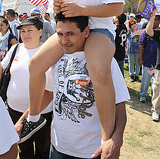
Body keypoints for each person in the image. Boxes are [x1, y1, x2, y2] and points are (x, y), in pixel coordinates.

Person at [27, 0, 124, 144]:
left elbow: (117, 7)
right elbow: (60, 19)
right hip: (70, 32)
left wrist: (81, 9)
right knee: (34, 65)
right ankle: (34, 119)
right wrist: (58, 9)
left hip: (98, 29)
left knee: (98, 71)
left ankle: (107, 137)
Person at [20, 13, 130, 159]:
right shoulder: (56, 59)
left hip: (93, 151)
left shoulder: (104, 63)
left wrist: (116, 138)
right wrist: (23, 121)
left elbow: (119, 105)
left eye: (70, 34)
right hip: (59, 148)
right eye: (60, 34)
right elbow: (48, 94)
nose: (64, 41)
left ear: (86, 32)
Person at [0, 16, 53, 158]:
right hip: (14, 110)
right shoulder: (15, 48)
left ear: (40, 31)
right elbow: (2, 66)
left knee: (43, 148)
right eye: (22, 31)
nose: (25, 34)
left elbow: (50, 90)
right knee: (23, 148)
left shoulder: (48, 52)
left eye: (30, 30)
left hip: (41, 113)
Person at [139, 16, 160, 103]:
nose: (154, 22)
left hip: (157, 64)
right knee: (145, 80)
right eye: (153, 20)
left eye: (156, 20)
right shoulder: (145, 32)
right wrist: (140, 59)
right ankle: (143, 95)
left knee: (155, 82)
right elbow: (141, 45)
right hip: (148, 62)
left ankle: (153, 97)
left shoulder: (158, 32)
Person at [146, 10, 160, 121]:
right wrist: (152, 16)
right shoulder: (159, 32)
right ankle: (155, 111)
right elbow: (148, 31)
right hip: (159, 67)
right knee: (157, 90)